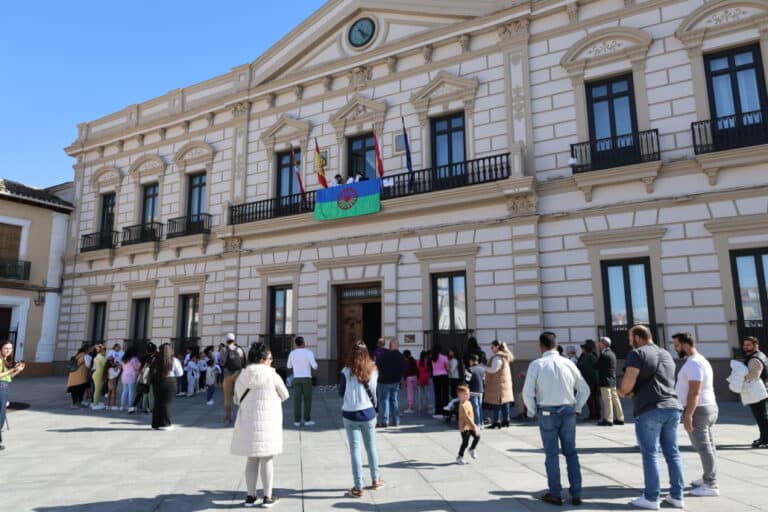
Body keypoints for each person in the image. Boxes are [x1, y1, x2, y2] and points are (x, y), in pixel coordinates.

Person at [619, 325, 684, 510]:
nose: (629, 342)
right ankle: (677, 496)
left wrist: (622, 392)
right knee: (673, 453)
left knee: (650, 454)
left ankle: (651, 498)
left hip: (650, 408)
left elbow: (627, 384)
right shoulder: (666, 354)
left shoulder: (637, 353)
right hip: (673, 407)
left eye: (630, 338)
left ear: (637, 338)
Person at [522, 332, 589, 507]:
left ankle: (555, 493)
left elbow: (527, 392)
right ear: (556, 344)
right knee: (571, 453)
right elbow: (584, 389)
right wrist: (577, 408)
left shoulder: (536, 364)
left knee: (551, 454)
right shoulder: (569, 363)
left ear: (541, 346)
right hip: (568, 410)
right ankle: (576, 493)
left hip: (546, 412)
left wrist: (531, 411)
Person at [231, 343, 289, 508]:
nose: (271, 361)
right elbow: (285, 394)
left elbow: (236, 399)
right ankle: (267, 497)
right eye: (270, 358)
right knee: (266, 458)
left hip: (248, 422)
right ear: (263, 359)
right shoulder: (272, 375)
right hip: (268, 422)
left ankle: (250, 497)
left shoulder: (242, 375)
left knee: (251, 458)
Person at [672, 332, 719, 497]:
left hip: (699, 409)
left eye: (677, 345)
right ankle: (708, 477)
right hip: (705, 408)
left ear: (685, 345)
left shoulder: (694, 363)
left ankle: (710, 484)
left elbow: (694, 392)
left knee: (703, 447)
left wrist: (688, 415)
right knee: (708, 446)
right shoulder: (698, 360)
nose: (675, 348)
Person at [339, 342, 383, 498]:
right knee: (371, 447)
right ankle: (375, 479)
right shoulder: (373, 369)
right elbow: (374, 390)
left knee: (355, 450)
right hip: (368, 412)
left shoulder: (345, 371)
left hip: (350, 414)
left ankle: (358, 487)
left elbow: (341, 393)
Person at [742, 336, 768, 448]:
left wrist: (741, 377)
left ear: (755, 345)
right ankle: (763, 438)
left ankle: (765, 440)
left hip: (758, 391)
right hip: (762, 390)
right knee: (761, 416)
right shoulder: (761, 355)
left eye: (748, 345)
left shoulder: (755, 358)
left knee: (762, 416)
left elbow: (755, 375)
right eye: (744, 345)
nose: (745, 347)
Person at [150, 343, 183, 431]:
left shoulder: (155, 359)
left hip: (157, 381)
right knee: (166, 403)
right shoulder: (174, 360)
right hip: (169, 381)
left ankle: (155, 424)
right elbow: (180, 373)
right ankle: (165, 424)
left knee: (157, 403)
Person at [286, 336, 318, 427]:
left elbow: (289, 366)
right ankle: (307, 420)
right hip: (307, 379)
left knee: (297, 400)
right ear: (303, 343)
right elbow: (315, 366)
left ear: (295, 344)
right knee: (307, 400)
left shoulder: (292, 353)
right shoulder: (309, 352)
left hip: (296, 378)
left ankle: (297, 421)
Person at [0, 340, 25, 450]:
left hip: (4, 386)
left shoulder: (4, 360)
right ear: (1, 349)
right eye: (6, 348)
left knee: (2, 413)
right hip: (1, 387)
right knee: (0, 414)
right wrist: (12, 369)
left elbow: (8, 377)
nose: (8, 350)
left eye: (10, 348)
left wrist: (17, 370)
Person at [375, 338, 404, 427]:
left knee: (384, 400)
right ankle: (396, 420)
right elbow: (403, 369)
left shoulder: (384, 355)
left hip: (384, 381)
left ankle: (385, 421)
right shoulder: (401, 356)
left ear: (390, 346)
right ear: (397, 346)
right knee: (394, 400)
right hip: (395, 381)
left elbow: (377, 365)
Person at [485, 340, 514, 428]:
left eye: (492, 347)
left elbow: (494, 369)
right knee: (505, 402)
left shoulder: (497, 357)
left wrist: (484, 367)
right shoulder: (505, 356)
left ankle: (496, 421)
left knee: (496, 403)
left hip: (499, 384)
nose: (491, 349)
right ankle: (506, 420)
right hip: (505, 384)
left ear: (497, 347)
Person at [596, 337, 624, 426]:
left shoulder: (604, 354)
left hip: (605, 380)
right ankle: (620, 418)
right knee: (615, 399)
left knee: (607, 400)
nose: (599, 344)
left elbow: (597, 366)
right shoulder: (612, 353)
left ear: (604, 344)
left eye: (600, 343)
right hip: (612, 380)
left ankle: (608, 419)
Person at [220, 333, 246, 423]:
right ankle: (241, 417)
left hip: (227, 375)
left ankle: (227, 417)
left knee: (227, 398)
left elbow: (222, 363)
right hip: (238, 375)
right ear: (234, 340)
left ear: (226, 340)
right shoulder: (240, 349)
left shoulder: (224, 350)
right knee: (241, 396)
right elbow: (243, 362)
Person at [576, 339, 600, 420]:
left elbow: (579, 366)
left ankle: (593, 415)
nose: (582, 350)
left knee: (591, 399)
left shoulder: (587, 358)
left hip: (589, 381)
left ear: (585, 349)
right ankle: (596, 414)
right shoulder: (592, 356)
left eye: (583, 348)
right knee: (594, 398)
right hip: (593, 381)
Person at [430, 345, 450, 418]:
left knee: (437, 394)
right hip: (444, 376)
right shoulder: (444, 357)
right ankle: (445, 412)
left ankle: (438, 412)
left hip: (435, 376)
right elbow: (447, 368)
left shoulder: (432, 358)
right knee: (445, 394)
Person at [120, 347, 141, 412]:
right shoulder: (134, 359)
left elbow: (122, 367)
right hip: (131, 375)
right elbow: (137, 367)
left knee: (125, 391)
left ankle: (122, 406)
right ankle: (130, 406)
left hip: (124, 375)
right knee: (131, 392)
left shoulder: (123, 359)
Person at [466, 354, 485, 428]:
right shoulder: (482, 369)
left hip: (472, 390)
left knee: (475, 407)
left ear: (471, 361)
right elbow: (484, 380)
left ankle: (477, 424)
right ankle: (481, 423)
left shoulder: (469, 369)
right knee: (479, 407)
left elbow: (467, 381)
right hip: (480, 390)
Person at [90, 344, 107, 410]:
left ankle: (96, 402)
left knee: (97, 390)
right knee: (97, 390)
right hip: (99, 374)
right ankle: (95, 404)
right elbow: (106, 365)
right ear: (102, 351)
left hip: (97, 374)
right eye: (104, 351)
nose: (105, 352)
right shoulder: (101, 357)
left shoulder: (97, 356)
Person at [402, 350, 418, 414]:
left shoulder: (406, 362)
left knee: (409, 393)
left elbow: (405, 371)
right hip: (414, 377)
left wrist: (404, 380)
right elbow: (416, 369)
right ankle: (412, 406)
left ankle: (410, 408)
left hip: (408, 378)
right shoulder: (413, 360)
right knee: (413, 393)